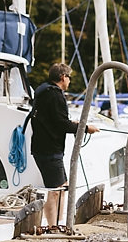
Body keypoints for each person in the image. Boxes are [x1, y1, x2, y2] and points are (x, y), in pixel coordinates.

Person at [30, 63, 98, 228]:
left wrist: (73, 124)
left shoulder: (43, 90)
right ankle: (53, 226)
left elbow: (53, 119)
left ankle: (56, 223)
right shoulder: (55, 95)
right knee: (57, 190)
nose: (69, 81)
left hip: (42, 147)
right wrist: (86, 128)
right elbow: (60, 124)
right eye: (69, 77)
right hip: (50, 150)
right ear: (63, 77)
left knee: (59, 187)